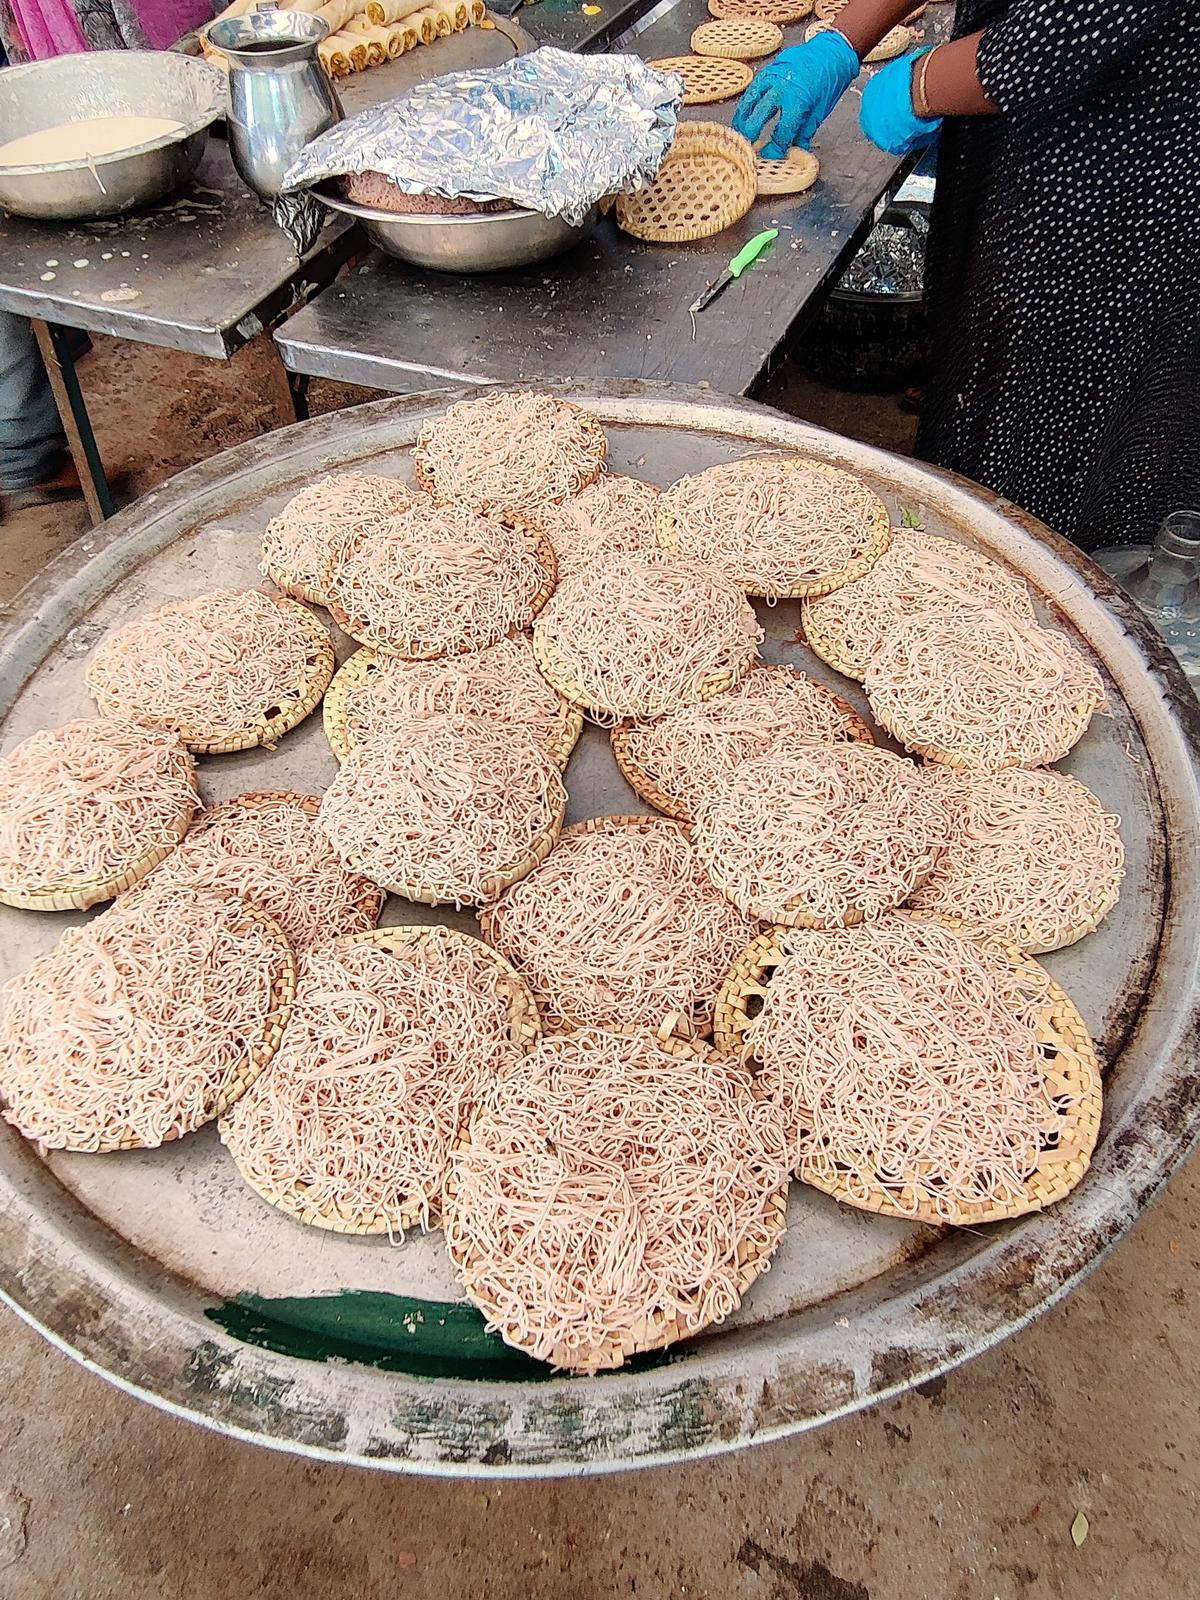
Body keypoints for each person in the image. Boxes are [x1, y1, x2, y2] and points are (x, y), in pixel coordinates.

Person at [733, 0, 1200, 552]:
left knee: (1061, 417)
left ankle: (1036, 574)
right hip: (1019, 126)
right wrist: (842, 43)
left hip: (1127, 179)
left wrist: (924, 85)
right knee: (978, 368)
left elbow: (1081, 23)